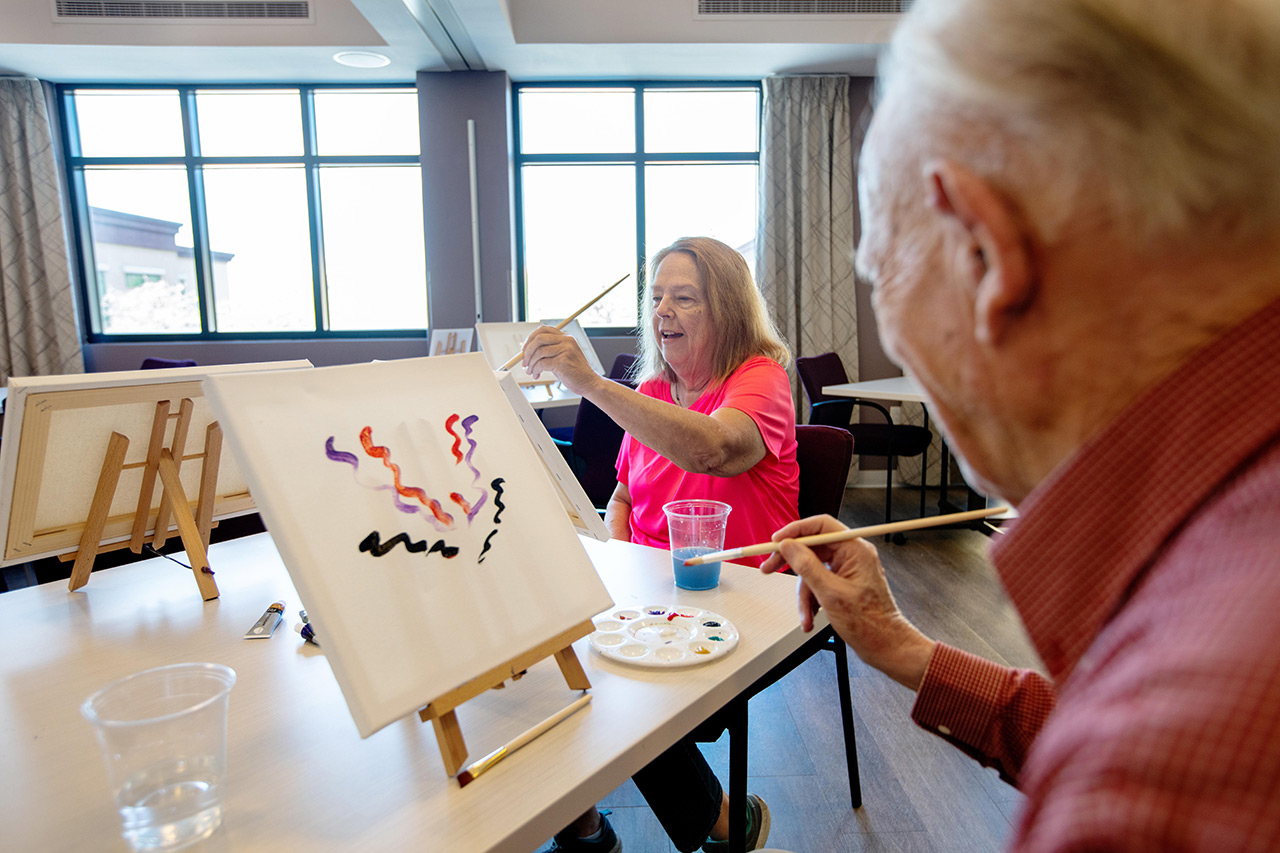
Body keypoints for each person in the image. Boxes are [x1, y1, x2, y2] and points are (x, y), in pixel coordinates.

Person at [761, 0, 1280, 849]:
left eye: (883, 267)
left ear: (984, 251)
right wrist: (905, 648)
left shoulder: (1166, 767)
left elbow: (1135, 747)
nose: (892, 326)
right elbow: (1095, 717)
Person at [521, 236, 798, 852]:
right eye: (655, 298)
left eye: (685, 298)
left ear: (725, 312)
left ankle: (721, 824)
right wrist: (623, 570)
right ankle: (586, 825)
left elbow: (713, 449)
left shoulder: (762, 380)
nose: (662, 311)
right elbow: (621, 498)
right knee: (544, 655)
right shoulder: (649, 393)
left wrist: (589, 383)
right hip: (651, 589)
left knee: (619, 679)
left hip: (740, 591)